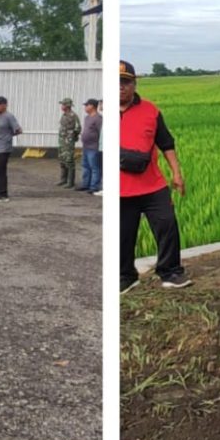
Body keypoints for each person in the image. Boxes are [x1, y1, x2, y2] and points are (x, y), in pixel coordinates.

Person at [119, 60, 189, 293]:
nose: (121, 87)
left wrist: (176, 173)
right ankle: (126, 276)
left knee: (167, 225)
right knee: (122, 235)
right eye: (116, 82)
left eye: (126, 82)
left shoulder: (150, 110)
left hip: (153, 186)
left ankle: (170, 272)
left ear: (134, 84)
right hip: (121, 190)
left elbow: (166, 144)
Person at [57, 96, 81, 188]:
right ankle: (63, 180)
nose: (61, 106)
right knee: (62, 160)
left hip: (68, 142)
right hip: (62, 142)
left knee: (69, 161)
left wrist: (72, 137)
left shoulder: (73, 116)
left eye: (63, 104)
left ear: (67, 105)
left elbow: (78, 128)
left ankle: (70, 182)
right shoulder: (64, 115)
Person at [79, 97, 102, 193]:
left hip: (94, 147)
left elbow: (100, 132)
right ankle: (85, 184)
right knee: (85, 166)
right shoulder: (87, 118)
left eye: (87, 105)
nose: (85, 107)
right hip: (86, 147)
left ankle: (94, 186)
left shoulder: (98, 119)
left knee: (94, 167)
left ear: (92, 106)